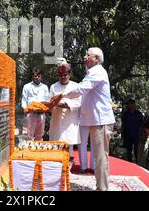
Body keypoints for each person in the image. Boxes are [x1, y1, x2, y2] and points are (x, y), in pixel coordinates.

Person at [51, 47, 115, 191]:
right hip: (94, 120)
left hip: (101, 121)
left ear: (96, 59)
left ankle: (102, 188)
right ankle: (101, 186)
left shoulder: (97, 71)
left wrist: (61, 96)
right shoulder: (91, 72)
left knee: (100, 158)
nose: (85, 57)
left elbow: (81, 90)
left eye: (88, 55)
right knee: (99, 158)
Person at [49, 62, 81, 161]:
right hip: (57, 119)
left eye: (65, 75)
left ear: (69, 74)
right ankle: (56, 166)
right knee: (57, 143)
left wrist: (64, 104)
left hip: (70, 118)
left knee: (69, 142)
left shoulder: (76, 86)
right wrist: (53, 104)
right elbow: (50, 102)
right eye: (61, 75)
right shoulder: (53, 87)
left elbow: (78, 102)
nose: (63, 77)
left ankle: (69, 165)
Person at [21, 69, 49, 141]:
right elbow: (24, 99)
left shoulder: (45, 87)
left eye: (38, 76)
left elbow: (48, 100)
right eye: (35, 75)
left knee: (39, 135)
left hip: (41, 114)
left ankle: (38, 151)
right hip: (31, 114)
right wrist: (25, 108)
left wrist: (45, 107)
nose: (37, 77)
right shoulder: (26, 86)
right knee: (29, 135)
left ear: (41, 77)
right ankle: (29, 151)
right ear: (32, 76)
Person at [121, 98, 144, 163]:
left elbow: (142, 126)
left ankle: (137, 163)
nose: (130, 105)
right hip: (128, 135)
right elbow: (123, 125)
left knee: (136, 150)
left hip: (136, 136)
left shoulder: (139, 114)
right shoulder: (125, 114)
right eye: (129, 104)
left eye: (131, 104)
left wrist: (142, 136)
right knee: (129, 151)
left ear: (134, 105)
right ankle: (129, 163)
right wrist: (122, 135)